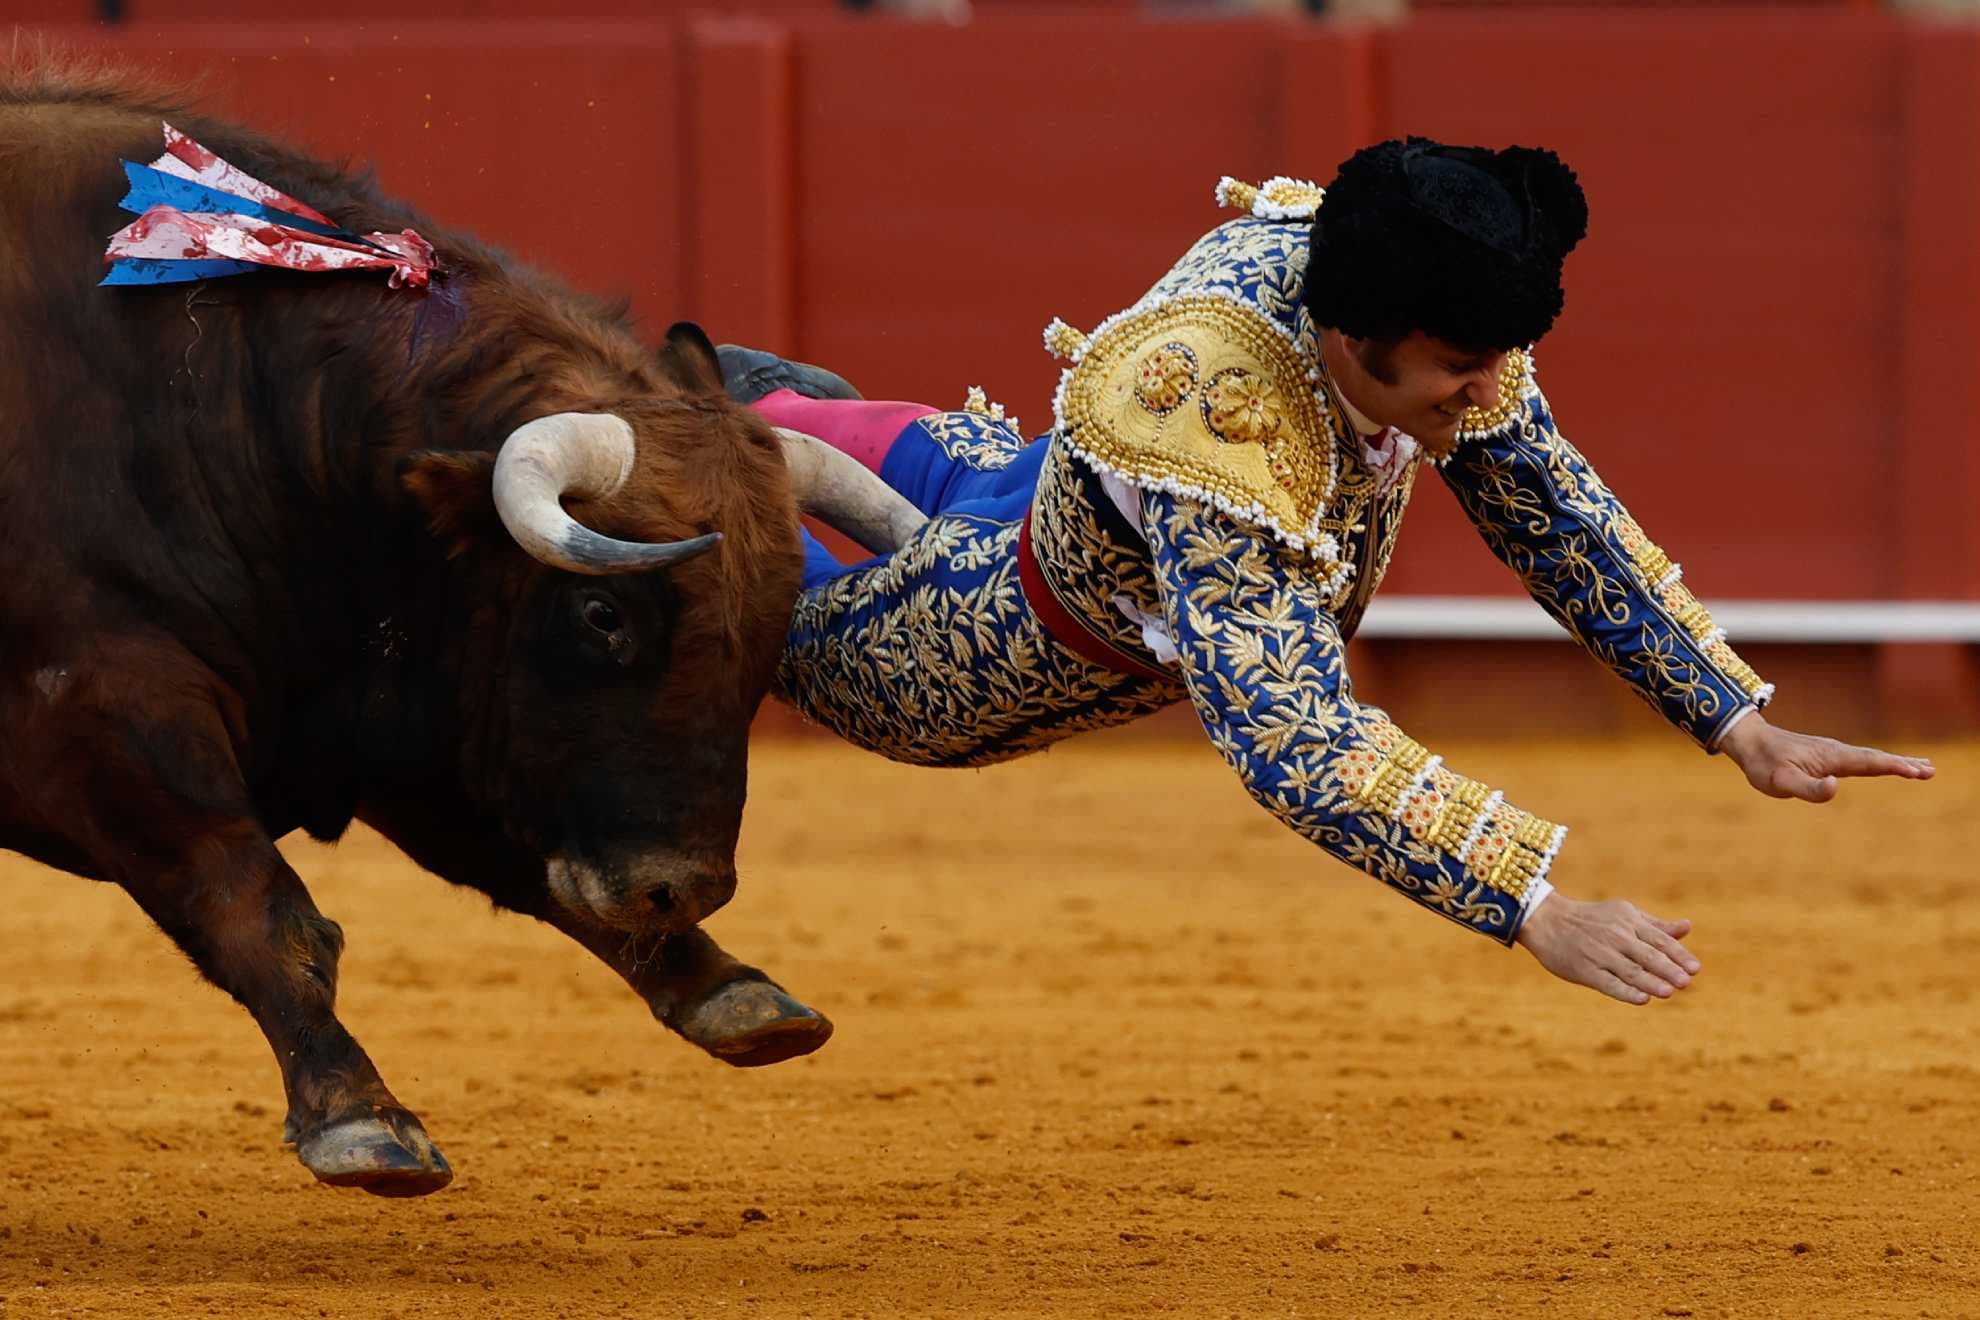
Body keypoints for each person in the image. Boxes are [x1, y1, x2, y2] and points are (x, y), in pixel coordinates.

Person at [665, 139, 1934, 1066]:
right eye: (1456, 368)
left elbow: (1548, 508)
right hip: (966, 646)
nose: (1482, 393)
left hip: (1028, 482)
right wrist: (1531, 904)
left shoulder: (1410, 288)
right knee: (684, 531)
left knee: (755, 421)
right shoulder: (1225, 416)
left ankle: (705, 414)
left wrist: (1736, 722)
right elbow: (1292, 737)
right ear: (1348, 339)